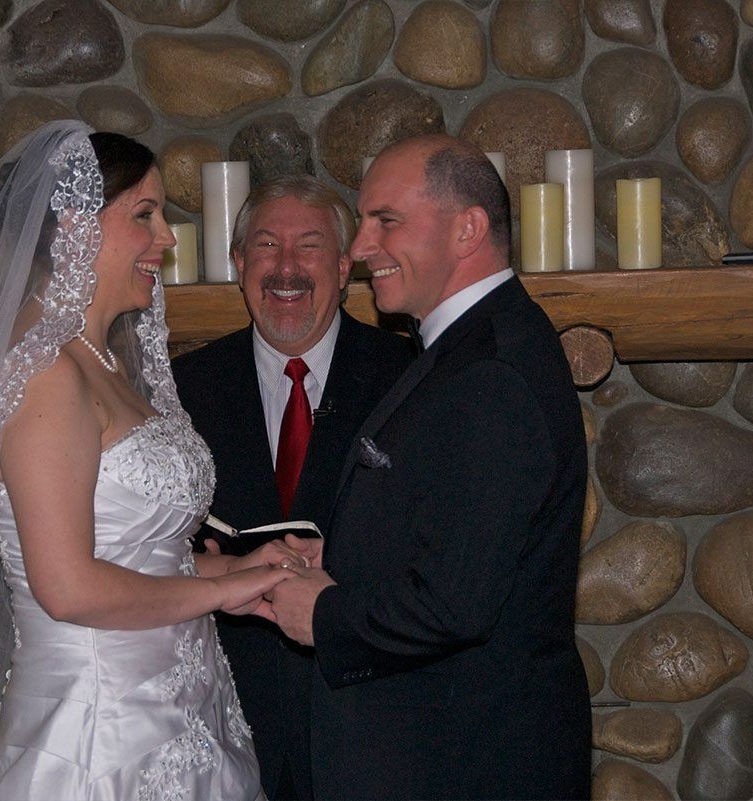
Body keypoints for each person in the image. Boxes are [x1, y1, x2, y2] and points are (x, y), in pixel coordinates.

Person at [0, 121, 309, 801]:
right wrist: (219, 593)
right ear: (74, 226)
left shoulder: (105, 362)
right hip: (96, 736)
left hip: (179, 714)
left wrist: (240, 569)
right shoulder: (47, 375)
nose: (167, 238)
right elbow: (69, 586)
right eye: (144, 214)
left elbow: (138, 556)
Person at [268, 135, 592, 800]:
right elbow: (460, 524)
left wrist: (322, 611)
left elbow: (456, 602)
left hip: (467, 763)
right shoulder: (464, 347)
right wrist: (346, 554)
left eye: (385, 221)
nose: (358, 249)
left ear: (468, 227)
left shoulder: (492, 372)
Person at [172, 175, 414, 799]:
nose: (285, 267)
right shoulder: (180, 388)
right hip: (217, 720)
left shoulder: (410, 381)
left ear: (341, 267)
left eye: (308, 247)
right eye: (265, 245)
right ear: (237, 264)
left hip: (371, 720)